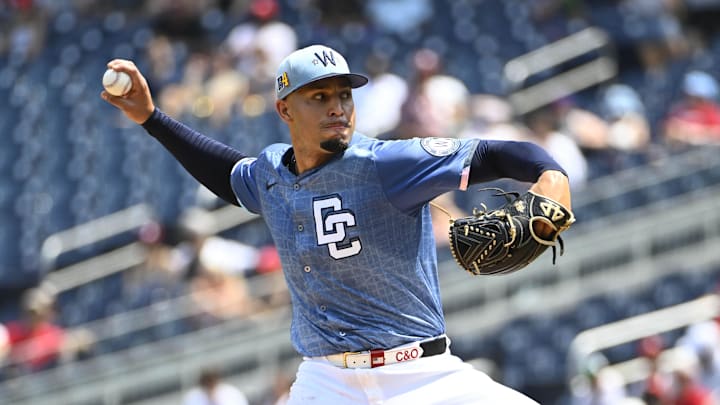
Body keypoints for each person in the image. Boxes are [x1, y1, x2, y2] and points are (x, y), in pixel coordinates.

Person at [102, 44, 572, 404]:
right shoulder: (270, 173)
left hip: (420, 375)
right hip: (326, 382)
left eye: (345, 95)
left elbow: (493, 153)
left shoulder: (387, 162)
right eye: (320, 96)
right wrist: (152, 118)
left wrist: (551, 175)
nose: (338, 107)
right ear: (285, 109)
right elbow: (225, 174)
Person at [182, 366, 249, 405]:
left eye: (211, 380)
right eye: (207, 380)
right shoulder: (192, 397)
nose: (209, 384)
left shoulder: (231, 393)